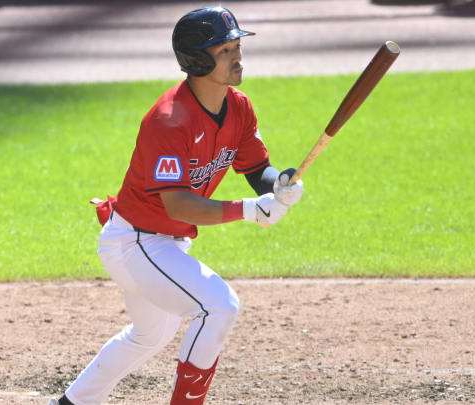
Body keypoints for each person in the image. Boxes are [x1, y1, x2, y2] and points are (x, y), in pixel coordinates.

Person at [48, 6, 304, 405]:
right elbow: (179, 205)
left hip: (164, 245)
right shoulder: (170, 119)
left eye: (237, 46)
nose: (238, 56)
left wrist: (281, 184)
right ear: (197, 59)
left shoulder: (238, 106)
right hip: (134, 244)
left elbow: (257, 169)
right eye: (225, 50)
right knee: (219, 306)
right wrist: (250, 210)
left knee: (149, 335)